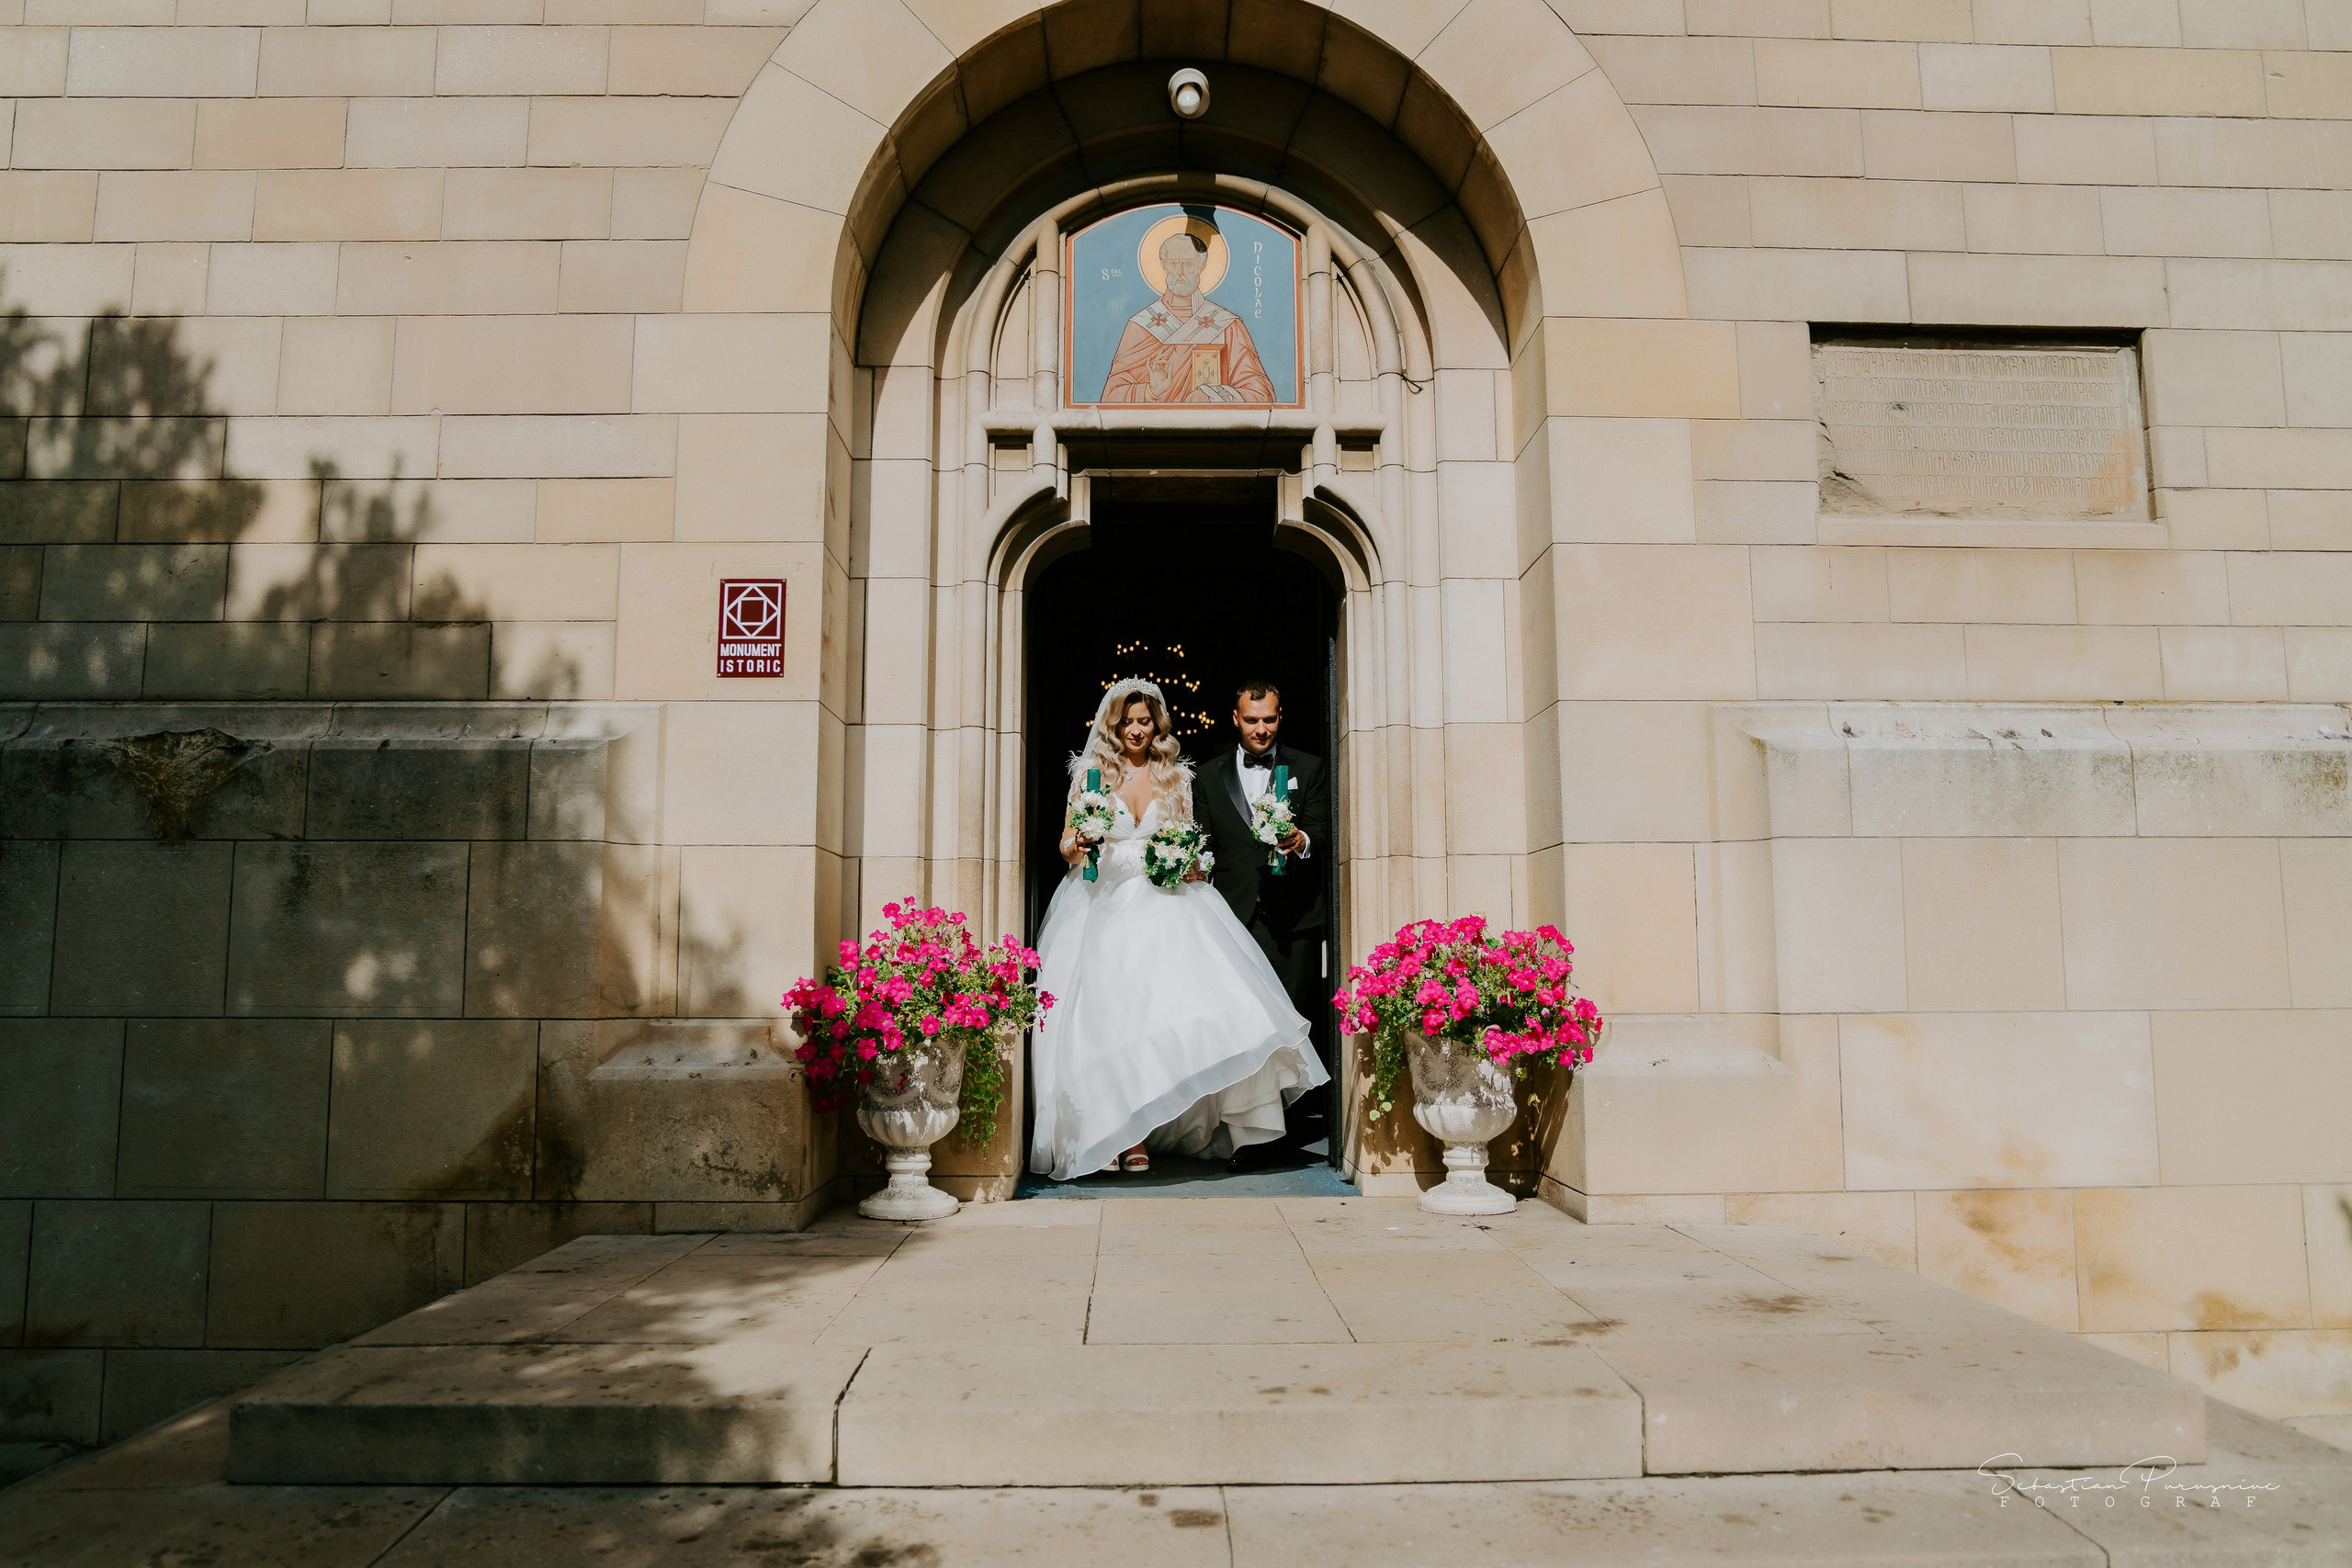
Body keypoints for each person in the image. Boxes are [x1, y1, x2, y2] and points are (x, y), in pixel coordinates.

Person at [1028, 677, 1329, 1180]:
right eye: (1128, 723)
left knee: (1175, 1013)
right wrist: (1084, 840)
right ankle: (1112, 1132)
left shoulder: (1178, 778)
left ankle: (1166, 1121)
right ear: (1113, 725)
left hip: (1166, 904)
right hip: (1101, 904)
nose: (1137, 731)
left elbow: (1193, 845)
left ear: (1157, 725)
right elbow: (1065, 846)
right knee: (1103, 1017)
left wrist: (1184, 861)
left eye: (1145, 722)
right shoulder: (1089, 774)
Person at [1193, 678, 1333, 1168]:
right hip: (1231, 918)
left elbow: (1319, 830)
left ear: (1280, 716)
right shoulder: (1207, 776)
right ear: (1235, 719)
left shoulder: (1310, 768)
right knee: (1240, 1025)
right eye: (1251, 720)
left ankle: (1286, 1134)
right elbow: (1203, 843)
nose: (1260, 729)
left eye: (1269, 719)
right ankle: (1246, 1134)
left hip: (1292, 919)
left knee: (1290, 1024)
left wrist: (1298, 840)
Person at [1098, 231, 1276, 404]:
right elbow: (1110, 396)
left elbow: (1261, 394)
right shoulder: (1140, 325)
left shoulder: (1227, 325)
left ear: (1202, 265)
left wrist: (1213, 396)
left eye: (1188, 264)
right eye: (1174, 263)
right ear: (1163, 264)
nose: (1180, 272)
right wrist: (1151, 392)